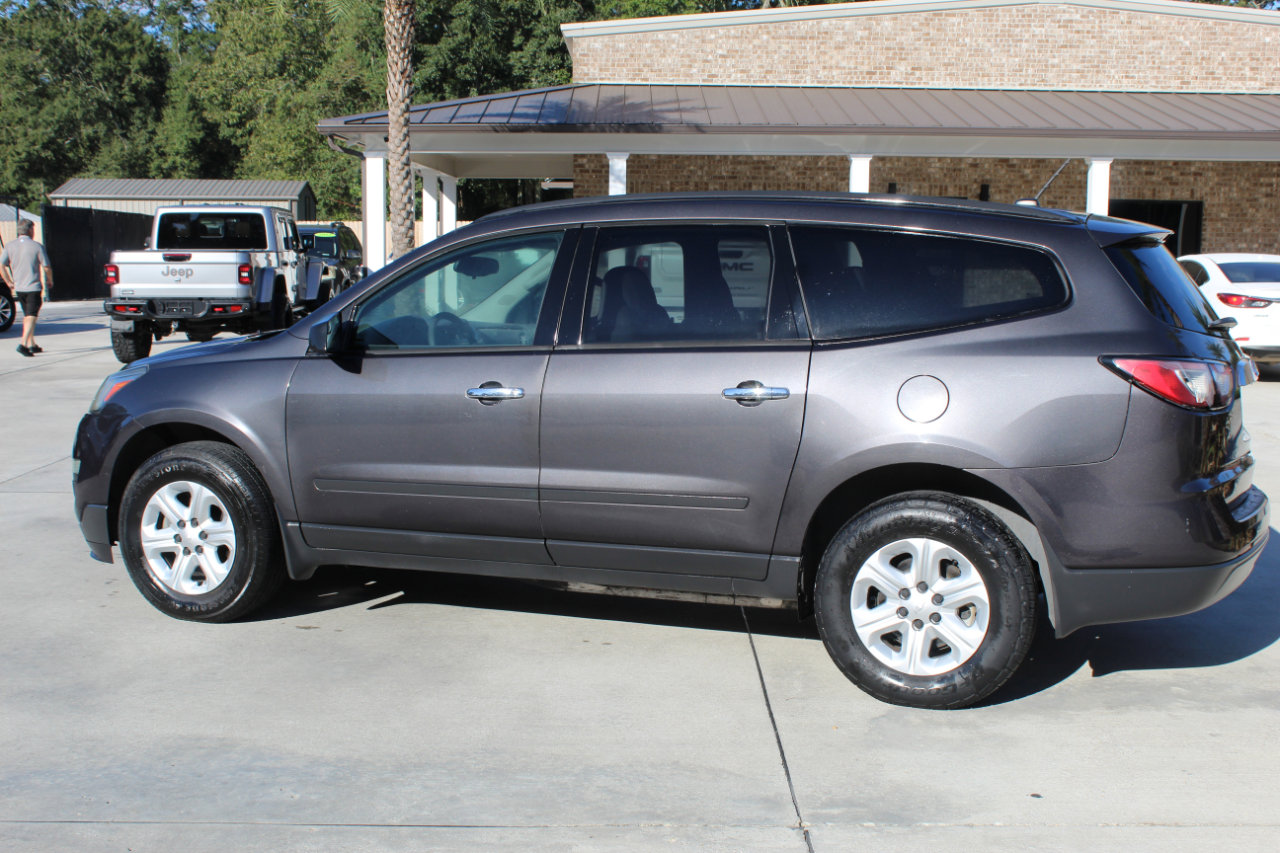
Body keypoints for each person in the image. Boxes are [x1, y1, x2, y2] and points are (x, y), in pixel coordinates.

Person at [0, 219, 52, 357]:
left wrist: (9, 281)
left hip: (19, 287)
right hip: (33, 286)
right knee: (32, 316)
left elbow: (2, 265)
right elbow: (46, 266)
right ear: (30, 230)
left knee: (28, 316)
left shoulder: (10, 246)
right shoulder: (37, 246)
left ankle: (31, 344)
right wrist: (50, 280)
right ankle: (23, 344)